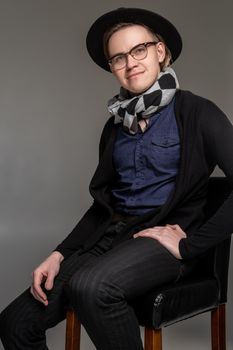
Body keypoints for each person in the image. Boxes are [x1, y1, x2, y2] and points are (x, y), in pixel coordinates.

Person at [0, 7, 233, 350]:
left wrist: (187, 246)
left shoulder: (197, 112)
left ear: (160, 51)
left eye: (139, 50)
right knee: (15, 323)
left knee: (92, 287)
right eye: (118, 57)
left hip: (163, 243)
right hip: (110, 240)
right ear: (112, 68)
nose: (130, 63)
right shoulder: (115, 127)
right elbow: (104, 206)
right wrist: (59, 253)